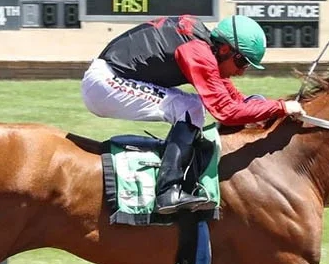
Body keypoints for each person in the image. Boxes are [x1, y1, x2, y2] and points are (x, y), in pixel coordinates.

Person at [81, 14, 303, 214]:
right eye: (241, 61)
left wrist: (258, 106)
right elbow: (225, 112)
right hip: (105, 83)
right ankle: (168, 191)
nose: (241, 71)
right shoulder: (198, 52)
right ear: (225, 49)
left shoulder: (205, 45)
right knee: (190, 107)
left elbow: (231, 96)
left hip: (114, 77)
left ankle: (176, 178)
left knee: (190, 105)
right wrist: (282, 107)